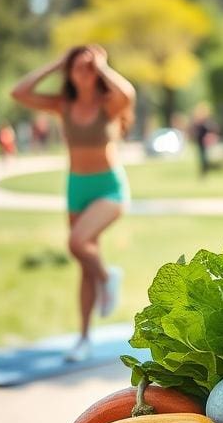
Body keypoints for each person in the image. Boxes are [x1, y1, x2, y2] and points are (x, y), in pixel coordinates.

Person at [10, 45, 135, 362]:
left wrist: (103, 65)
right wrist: (56, 64)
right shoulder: (62, 104)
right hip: (77, 187)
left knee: (77, 242)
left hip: (109, 187)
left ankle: (108, 277)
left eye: (89, 67)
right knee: (84, 262)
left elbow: (128, 93)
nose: (85, 71)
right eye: (78, 67)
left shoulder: (109, 103)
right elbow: (19, 92)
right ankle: (83, 338)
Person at [190, 102, 218, 178]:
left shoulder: (207, 121)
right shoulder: (197, 122)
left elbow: (212, 129)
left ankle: (205, 172)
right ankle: (202, 172)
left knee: (205, 158)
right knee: (202, 158)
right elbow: (193, 131)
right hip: (199, 142)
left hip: (205, 142)